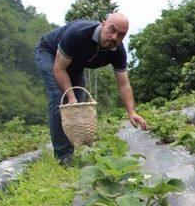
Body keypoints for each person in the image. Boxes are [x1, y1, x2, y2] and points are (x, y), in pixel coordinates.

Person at [35, 12, 147, 165]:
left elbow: (123, 84)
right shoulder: (78, 33)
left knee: (79, 104)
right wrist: (71, 97)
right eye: (111, 30)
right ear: (103, 24)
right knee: (60, 97)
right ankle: (63, 155)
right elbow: (59, 69)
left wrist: (131, 111)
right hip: (51, 54)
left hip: (75, 63)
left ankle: (76, 146)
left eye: (121, 35)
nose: (114, 37)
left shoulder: (118, 51)